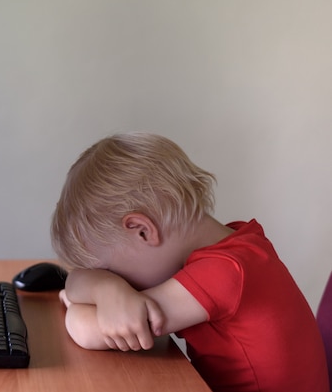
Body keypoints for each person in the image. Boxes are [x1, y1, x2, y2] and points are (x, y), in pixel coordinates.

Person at [50, 132, 329, 392]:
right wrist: (106, 290)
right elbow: (75, 282)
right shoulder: (239, 245)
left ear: (143, 231)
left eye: (108, 269)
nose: (120, 280)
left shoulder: (224, 273)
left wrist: (101, 295)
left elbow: (86, 330)